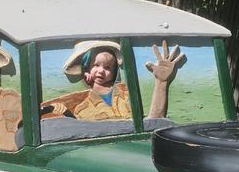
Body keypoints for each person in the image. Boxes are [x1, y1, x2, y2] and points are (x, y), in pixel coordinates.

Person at [43, 39, 184, 120]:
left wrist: (162, 82)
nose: (101, 71)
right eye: (96, 65)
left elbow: (151, 123)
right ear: (86, 68)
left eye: (108, 67)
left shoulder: (127, 94)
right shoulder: (82, 108)